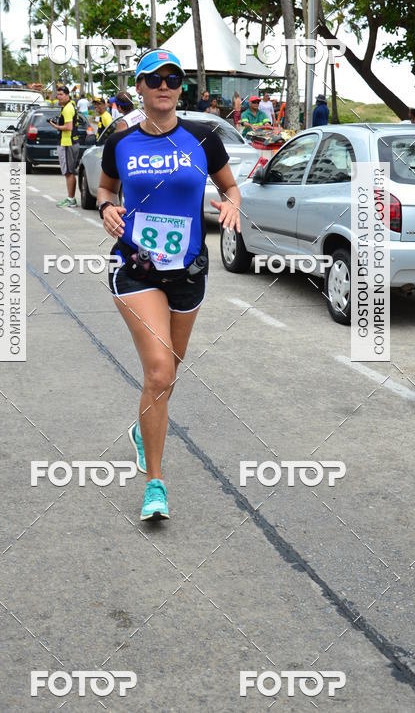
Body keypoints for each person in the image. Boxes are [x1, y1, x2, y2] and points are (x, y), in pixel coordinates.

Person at [97, 49, 241, 522]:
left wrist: (233, 204)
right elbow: (105, 189)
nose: (164, 85)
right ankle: (154, 483)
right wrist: (106, 208)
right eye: (153, 78)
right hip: (134, 268)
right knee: (158, 372)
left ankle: (144, 429)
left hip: (189, 272)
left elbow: (229, 186)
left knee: (169, 375)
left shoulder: (203, 140)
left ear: (182, 88)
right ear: (138, 87)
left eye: (172, 78)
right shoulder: (119, 143)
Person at [50, 85, 81, 207]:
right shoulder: (69, 105)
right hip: (69, 142)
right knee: (69, 171)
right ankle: (70, 198)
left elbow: (69, 127)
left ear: (67, 95)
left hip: (68, 143)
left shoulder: (68, 108)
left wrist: (54, 126)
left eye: (61, 94)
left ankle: (71, 199)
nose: (59, 97)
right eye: (58, 94)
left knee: (69, 172)